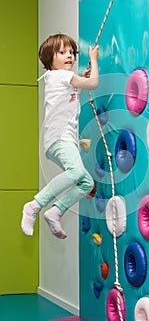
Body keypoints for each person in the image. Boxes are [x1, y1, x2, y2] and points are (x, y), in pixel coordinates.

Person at [21, 33, 99, 239]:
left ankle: (56, 211)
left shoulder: (59, 79)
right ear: (50, 60)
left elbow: (73, 96)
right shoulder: (60, 75)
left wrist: (83, 74)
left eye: (72, 52)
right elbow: (93, 84)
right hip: (60, 138)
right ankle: (34, 205)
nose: (70, 56)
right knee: (75, 173)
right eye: (62, 52)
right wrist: (94, 59)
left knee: (86, 183)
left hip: (58, 141)